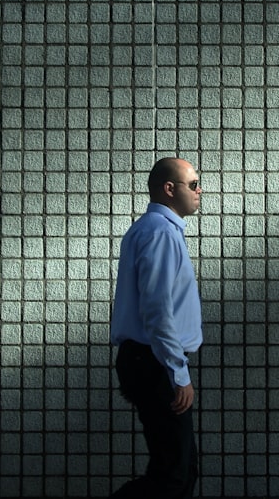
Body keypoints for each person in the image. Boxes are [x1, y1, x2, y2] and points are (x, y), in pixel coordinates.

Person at [110, 157, 203, 499]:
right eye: (193, 184)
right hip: (155, 363)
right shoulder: (161, 233)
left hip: (149, 361)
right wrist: (178, 373)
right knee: (175, 474)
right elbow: (158, 310)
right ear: (169, 189)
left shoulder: (151, 229)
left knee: (173, 467)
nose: (199, 191)